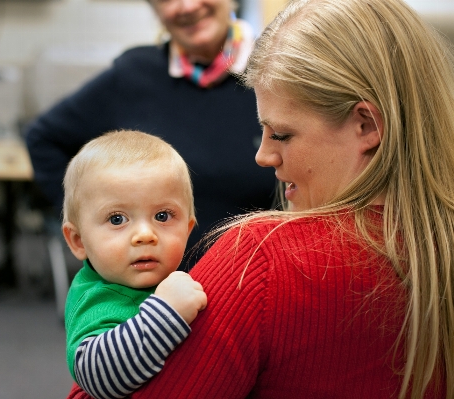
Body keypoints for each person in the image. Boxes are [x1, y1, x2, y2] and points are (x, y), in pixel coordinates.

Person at [61, 0, 454, 398]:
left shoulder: (260, 260)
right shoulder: (436, 248)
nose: (262, 156)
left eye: (281, 134)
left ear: (366, 125)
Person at [25, 0, 276, 265]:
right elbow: (44, 139)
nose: (187, 6)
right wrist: (90, 224)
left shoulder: (278, 71)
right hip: (149, 292)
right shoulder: (133, 75)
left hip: (254, 285)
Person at [62, 129, 207, 399]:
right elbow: (96, 376)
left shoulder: (166, 279)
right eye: (117, 219)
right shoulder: (98, 299)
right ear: (79, 241)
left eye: (163, 216)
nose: (145, 235)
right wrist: (167, 312)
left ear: (187, 230)